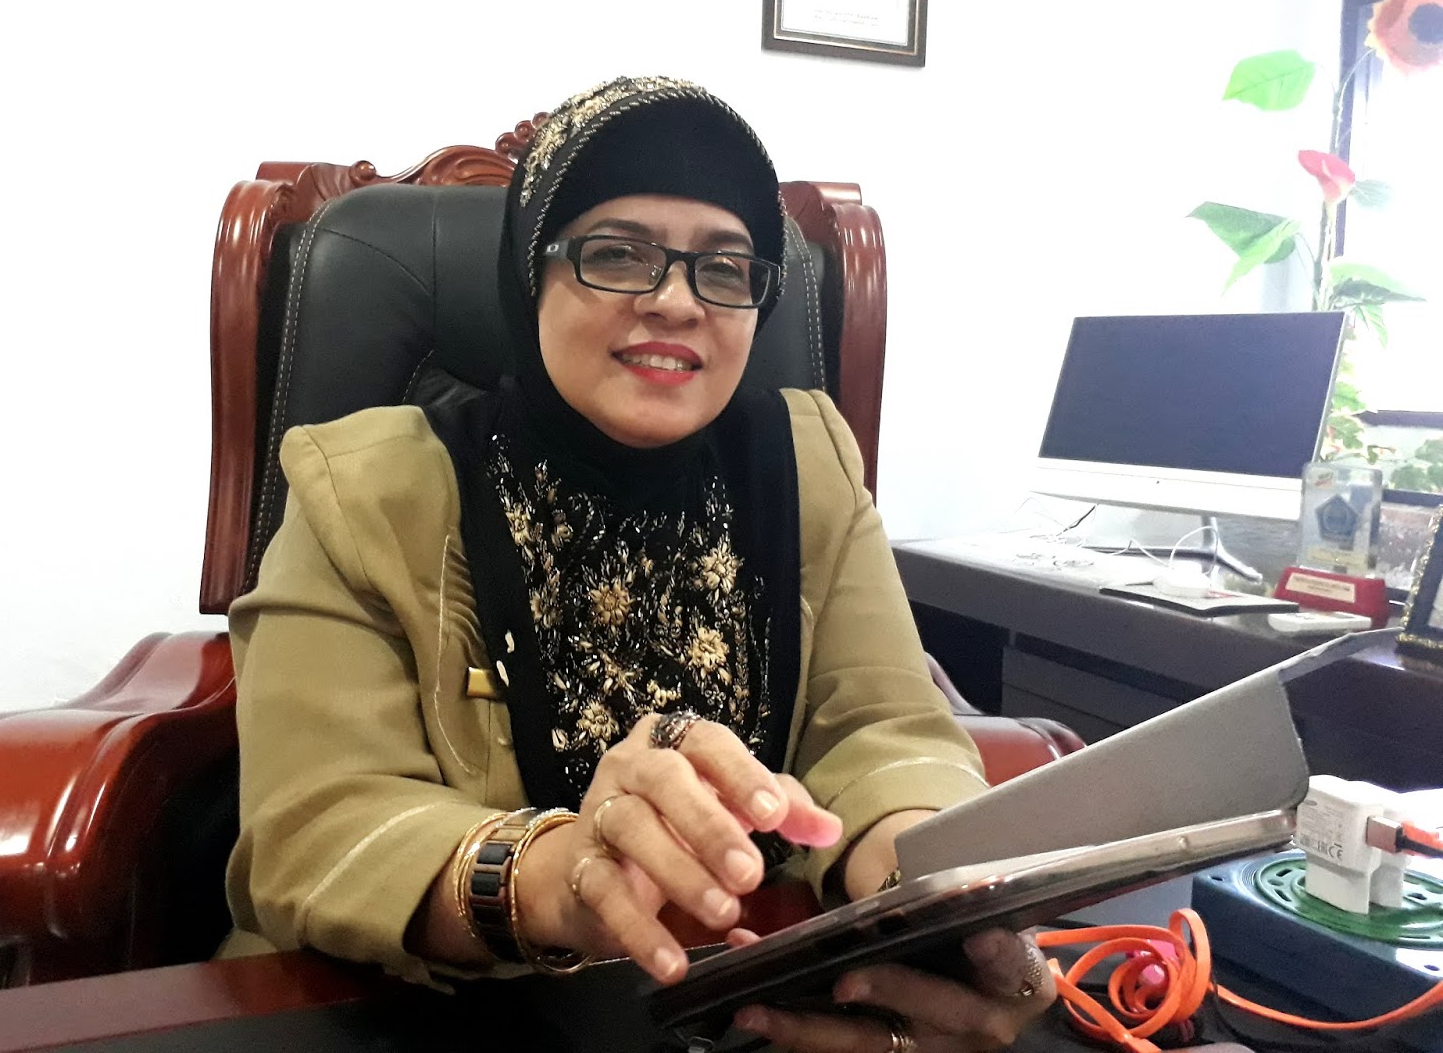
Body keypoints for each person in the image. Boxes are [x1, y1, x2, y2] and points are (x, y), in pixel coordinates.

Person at [219, 75, 1055, 1051]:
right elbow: (315, 828)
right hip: (429, 1016)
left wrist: (925, 889)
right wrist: (558, 874)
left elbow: (879, 728)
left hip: (748, 998)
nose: (675, 302)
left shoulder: (807, 460)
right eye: (617, 254)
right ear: (530, 273)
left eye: (724, 268)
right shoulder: (364, 486)